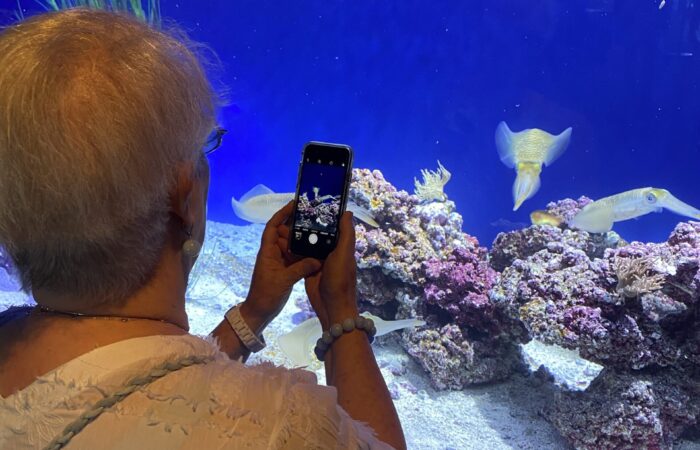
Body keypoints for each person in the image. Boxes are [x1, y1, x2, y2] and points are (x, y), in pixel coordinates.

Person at [0, 8, 406, 450]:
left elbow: (145, 381)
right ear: (184, 196)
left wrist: (252, 313)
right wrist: (342, 315)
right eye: (204, 147)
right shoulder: (282, 427)